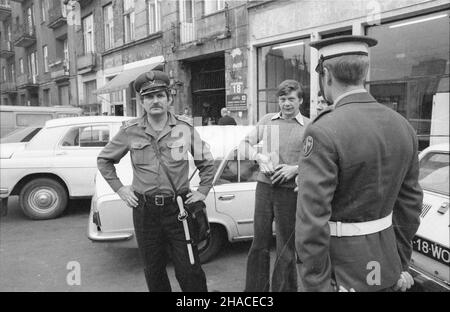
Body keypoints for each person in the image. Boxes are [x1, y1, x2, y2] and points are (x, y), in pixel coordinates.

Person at [295, 35, 423, 292]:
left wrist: (317, 286)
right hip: (385, 266)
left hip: (342, 272)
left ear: (327, 74)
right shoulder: (403, 126)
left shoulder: (323, 130)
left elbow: (311, 222)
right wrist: (400, 263)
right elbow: (409, 207)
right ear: (364, 73)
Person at [97, 70, 216, 292]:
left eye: (160, 95)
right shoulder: (130, 131)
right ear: (142, 102)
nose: (155, 101)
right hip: (145, 211)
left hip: (179, 208)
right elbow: (104, 160)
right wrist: (120, 189)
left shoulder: (184, 128)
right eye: (149, 97)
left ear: (169, 99)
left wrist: (203, 190)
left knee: (190, 269)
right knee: (153, 270)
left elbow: (207, 163)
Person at [241, 80, 309, 292]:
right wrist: (259, 156)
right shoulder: (267, 120)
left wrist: (295, 168)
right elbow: (243, 145)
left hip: (290, 192)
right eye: (282, 99)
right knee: (259, 243)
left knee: (286, 248)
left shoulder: (310, 126)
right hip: (264, 187)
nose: (286, 104)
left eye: (291, 99)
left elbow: (318, 159)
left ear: (300, 100)